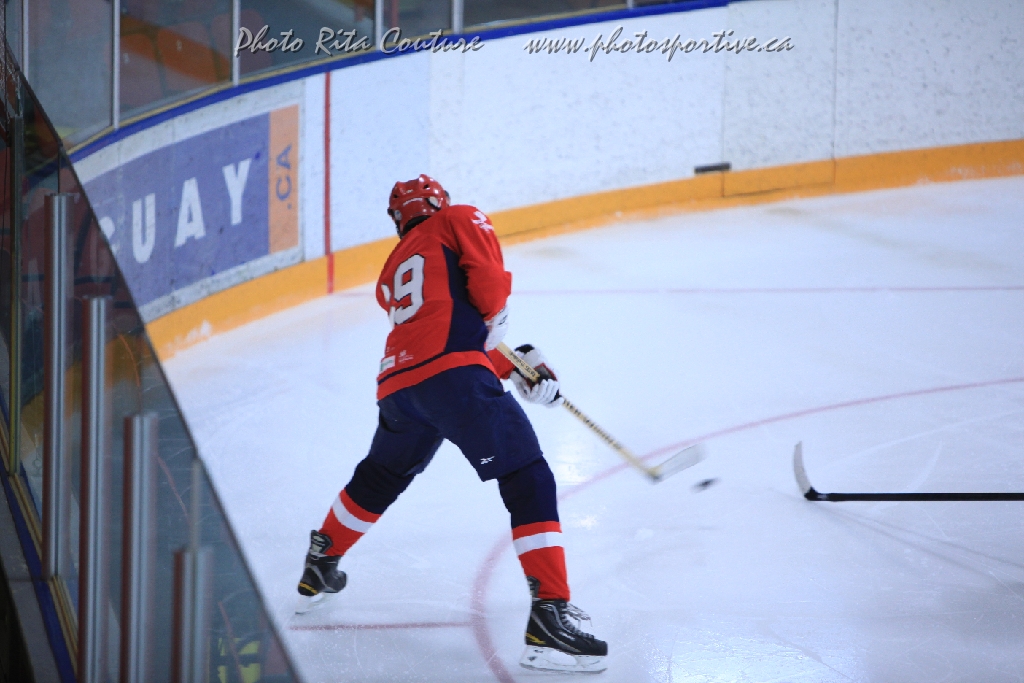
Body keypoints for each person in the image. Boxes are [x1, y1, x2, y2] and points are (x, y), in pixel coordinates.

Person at [294, 174, 607, 673]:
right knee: (528, 476)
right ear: (439, 202)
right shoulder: (457, 218)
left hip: (399, 386)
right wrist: (502, 338)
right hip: (452, 378)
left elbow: (441, 329)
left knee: (380, 475)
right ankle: (549, 619)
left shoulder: (393, 268)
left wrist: (515, 367)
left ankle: (321, 561)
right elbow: (487, 288)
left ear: (398, 220)